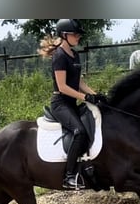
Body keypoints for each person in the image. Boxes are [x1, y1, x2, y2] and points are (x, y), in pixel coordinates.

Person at [38, 19, 106, 189]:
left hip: (72, 102)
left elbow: (79, 82)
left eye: (78, 35)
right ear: (64, 35)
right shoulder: (59, 56)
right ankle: (69, 176)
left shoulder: (74, 55)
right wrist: (85, 97)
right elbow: (63, 87)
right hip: (61, 103)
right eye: (75, 34)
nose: (78, 37)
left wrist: (95, 95)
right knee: (80, 132)